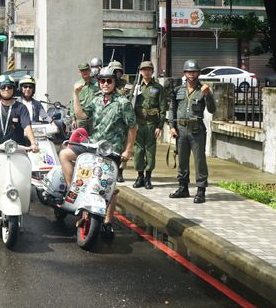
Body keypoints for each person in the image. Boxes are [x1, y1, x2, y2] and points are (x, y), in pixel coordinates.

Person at [60, 66, 137, 239]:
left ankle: (108, 222)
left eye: (109, 81)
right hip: (94, 145)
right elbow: (81, 115)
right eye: (102, 81)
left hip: (113, 150)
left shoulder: (123, 103)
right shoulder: (96, 100)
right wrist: (75, 94)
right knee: (65, 155)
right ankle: (73, 190)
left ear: (115, 82)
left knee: (109, 186)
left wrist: (128, 149)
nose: (105, 84)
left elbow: (132, 127)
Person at [169, 59, 216, 203]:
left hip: (196, 130)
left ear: (198, 73)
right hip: (181, 129)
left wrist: (208, 95)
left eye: (194, 71)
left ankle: (201, 190)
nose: (191, 74)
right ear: (184, 73)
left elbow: (212, 109)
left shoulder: (203, 89)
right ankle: (183, 187)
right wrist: (171, 126)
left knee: (199, 160)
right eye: (188, 71)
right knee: (182, 159)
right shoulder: (178, 90)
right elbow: (172, 109)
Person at [132, 60, 167, 189]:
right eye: (144, 69)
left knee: (150, 151)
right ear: (141, 72)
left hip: (152, 124)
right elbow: (130, 106)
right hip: (138, 124)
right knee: (138, 151)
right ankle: (139, 176)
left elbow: (163, 109)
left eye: (149, 69)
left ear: (152, 71)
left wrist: (160, 126)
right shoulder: (136, 87)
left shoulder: (158, 88)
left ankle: (148, 177)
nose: (146, 72)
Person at [0, 75, 39, 148]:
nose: (6, 89)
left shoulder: (21, 108)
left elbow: (27, 126)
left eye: (9, 87)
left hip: (17, 147)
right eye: (3, 87)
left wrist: (33, 143)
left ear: (13, 89)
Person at [68, 62, 98, 133]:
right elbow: (73, 102)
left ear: (90, 70)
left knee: (95, 139)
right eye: (82, 70)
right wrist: (73, 119)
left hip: (94, 117)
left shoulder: (97, 84)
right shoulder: (77, 85)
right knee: (81, 140)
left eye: (86, 70)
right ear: (79, 72)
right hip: (81, 119)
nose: (85, 72)